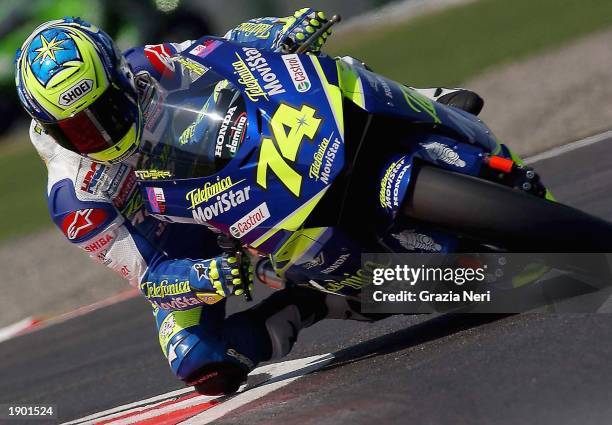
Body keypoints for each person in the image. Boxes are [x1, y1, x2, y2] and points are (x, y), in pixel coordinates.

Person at [15, 8, 483, 394]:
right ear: (50, 127)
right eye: (79, 128)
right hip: (179, 244)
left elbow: (225, 49)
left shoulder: (148, 66)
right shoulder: (75, 199)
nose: (102, 132)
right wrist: (208, 275)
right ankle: (313, 300)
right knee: (203, 363)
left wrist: (281, 30)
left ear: (117, 74)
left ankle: (419, 101)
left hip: (223, 164)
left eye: (107, 108)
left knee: (313, 70)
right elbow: (152, 278)